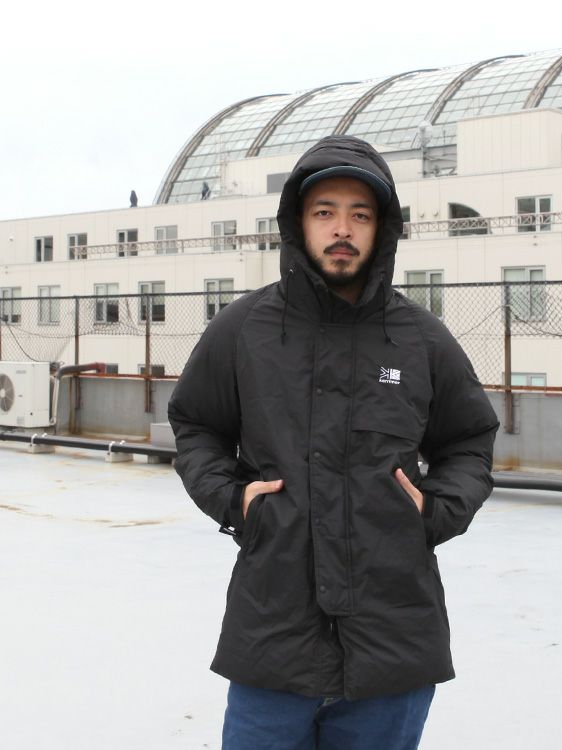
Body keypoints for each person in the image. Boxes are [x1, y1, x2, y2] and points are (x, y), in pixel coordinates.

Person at [168, 135, 499, 749]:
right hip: (273, 636)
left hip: (392, 641)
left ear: (382, 228)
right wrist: (235, 501)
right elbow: (196, 426)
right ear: (298, 222)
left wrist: (436, 510)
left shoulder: (421, 338)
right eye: (325, 212)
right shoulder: (244, 329)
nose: (341, 229)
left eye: (360, 214)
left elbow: (470, 439)